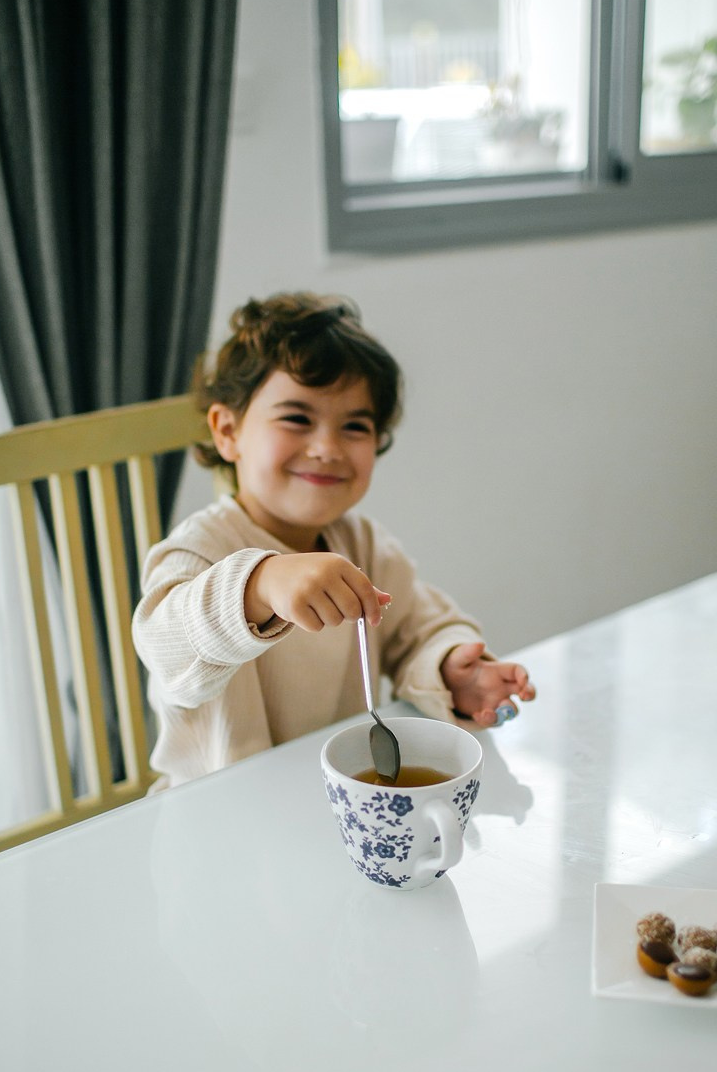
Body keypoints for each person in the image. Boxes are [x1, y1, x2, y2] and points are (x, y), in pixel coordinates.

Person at [133, 293, 535, 787]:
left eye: (355, 426)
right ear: (228, 430)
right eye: (297, 419)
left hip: (336, 801)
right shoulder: (200, 548)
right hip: (221, 818)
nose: (326, 448)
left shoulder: (362, 544)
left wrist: (453, 669)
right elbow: (163, 645)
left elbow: (419, 628)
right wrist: (258, 585)